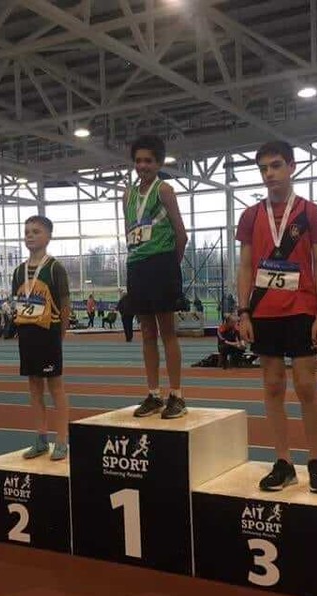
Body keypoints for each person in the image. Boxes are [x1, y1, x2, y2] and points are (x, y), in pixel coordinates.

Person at [236, 140, 317, 493]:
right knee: (273, 385)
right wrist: (243, 311)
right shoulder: (250, 216)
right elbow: (246, 266)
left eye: (276, 166)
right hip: (264, 312)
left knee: (306, 386)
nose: (269, 174)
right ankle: (283, 461)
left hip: (302, 309)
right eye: (263, 168)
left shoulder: (310, 213)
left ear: (291, 167)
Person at [123, 135, 189, 419]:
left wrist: (170, 267)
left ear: (159, 163)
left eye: (148, 160)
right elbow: (129, 230)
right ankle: (153, 394)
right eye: (138, 161)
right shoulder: (127, 195)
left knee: (167, 332)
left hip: (162, 265)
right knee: (147, 334)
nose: (142, 165)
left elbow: (181, 234)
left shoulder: (165, 190)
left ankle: (177, 395)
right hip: (136, 265)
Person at [12, 215, 71, 461]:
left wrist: (61, 334)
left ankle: (62, 440)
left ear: (48, 236)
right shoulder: (18, 271)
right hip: (27, 334)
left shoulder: (55, 267)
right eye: (27, 231)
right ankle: (40, 438)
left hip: (49, 333)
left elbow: (65, 303)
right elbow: (16, 302)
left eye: (36, 231)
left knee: (55, 387)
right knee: (34, 388)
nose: (30, 235)